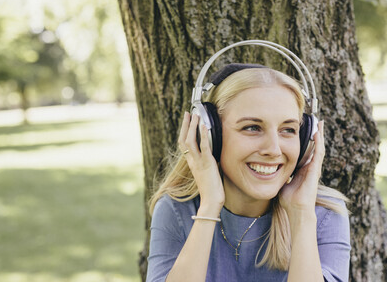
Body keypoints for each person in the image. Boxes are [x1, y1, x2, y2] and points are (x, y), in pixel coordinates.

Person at [146, 64, 351, 282]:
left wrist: (301, 215)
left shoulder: (325, 214)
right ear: (209, 135)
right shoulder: (177, 210)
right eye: (252, 127)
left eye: (288, 130)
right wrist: (210, 206)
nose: (273, 149)